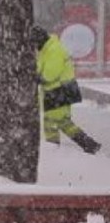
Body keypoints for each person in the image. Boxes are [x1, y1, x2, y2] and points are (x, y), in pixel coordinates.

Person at [32, 25, 101, 153]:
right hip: (54, 92)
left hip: (60, 91)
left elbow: (50, 74)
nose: (34, 47)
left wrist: (36, 78)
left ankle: (88, 145)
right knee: (51, 123)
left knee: (60, 122)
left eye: (34, 43)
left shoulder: (54, 50)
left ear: (39, 40)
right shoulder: (46, 50)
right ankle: (53, 148)